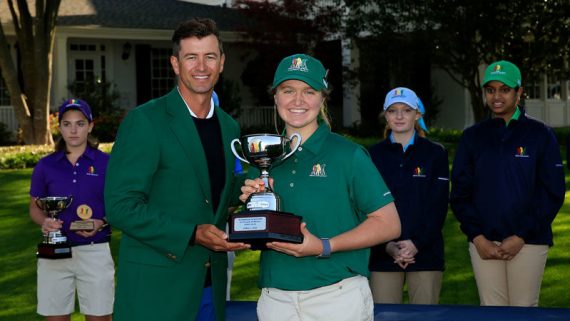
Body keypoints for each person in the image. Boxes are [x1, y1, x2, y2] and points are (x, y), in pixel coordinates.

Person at [104, 18, 249, 321]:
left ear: (221, 62)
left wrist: (250, 189)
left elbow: (214, 191)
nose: (201, 66)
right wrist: (192, 234)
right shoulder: (145, 121)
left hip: (211, 285)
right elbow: (120, 206)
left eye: (209, 56)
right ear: (175, 63)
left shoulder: (228, 125)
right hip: (157, 290)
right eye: (191, 57)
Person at [239, 53, 401, 321]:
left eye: (309, 91)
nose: (298, 101)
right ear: (276, 97)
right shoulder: (263, 156)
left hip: (336, 297)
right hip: (275, 299)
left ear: (323, 98)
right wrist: (249, 211)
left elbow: (389, 223)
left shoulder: (348, 155)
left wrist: (325, 246)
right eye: (288, 90)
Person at [450, 60, 565, 306]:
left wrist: (521, 235)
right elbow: (460, 193)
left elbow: (551, 192)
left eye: (505, 89)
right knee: (492, 311)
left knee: (523, 311)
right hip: (484, 243)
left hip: (528, 241)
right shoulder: (472, 137)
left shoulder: (541, 134)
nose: (497, 96)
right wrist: (478, 237)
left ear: (519, 91)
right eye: (491, 90)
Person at [29, 98, 114, 321]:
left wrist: (102, 221)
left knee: (99, 318)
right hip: (54, 253)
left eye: (80, 123)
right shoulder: (45, 165)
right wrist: (44, 221)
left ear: (90, 126)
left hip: (95, 250)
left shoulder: (107, 163)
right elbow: (35, 208)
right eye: (67, 124)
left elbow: (119, 204)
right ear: (60, 128)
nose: (73, 130)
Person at [368, 87, 449, 305]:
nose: (400, 116)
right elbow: (366, 206)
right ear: (386, 116)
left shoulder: (435, 153)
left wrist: (416, 243)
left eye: (406, 110)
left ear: (417, 114)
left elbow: (438, 206)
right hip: (383, 253)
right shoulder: (372, 155)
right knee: (383, 316)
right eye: (393, 111)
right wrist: (387, 245)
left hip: (425, 253)